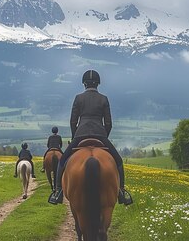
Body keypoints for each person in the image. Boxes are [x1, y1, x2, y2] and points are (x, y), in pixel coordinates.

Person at [52, 69, 132, 205]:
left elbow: (73, 121)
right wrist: (103, 137)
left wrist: (75, 136)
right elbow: (108, 123)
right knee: (118, 161)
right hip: (100, 134)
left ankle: (58, 191)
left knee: (62, 161)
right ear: (98, 84)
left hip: (80, 134)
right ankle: (121, 191)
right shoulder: (104, 99)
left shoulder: (78, 98)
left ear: (84, 84)